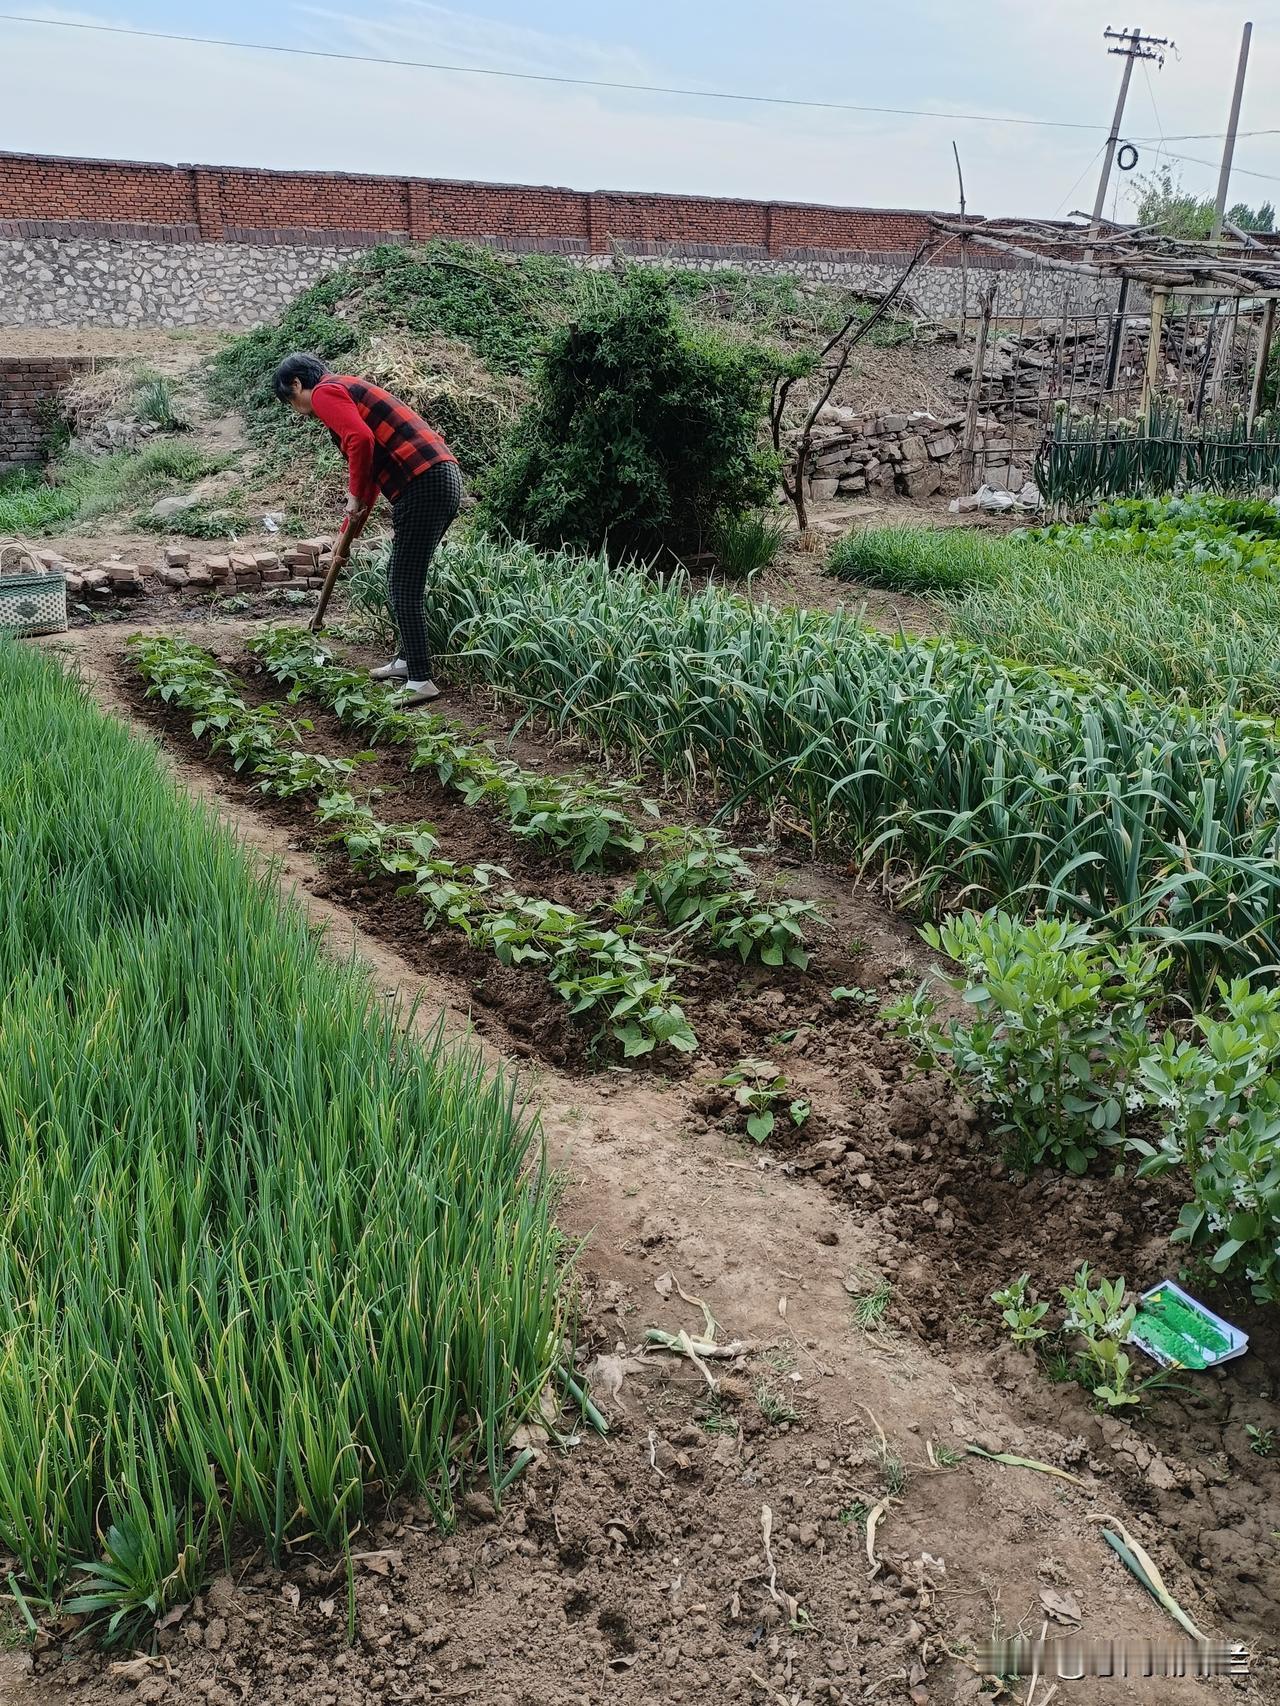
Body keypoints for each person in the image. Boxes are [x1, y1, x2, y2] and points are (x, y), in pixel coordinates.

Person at [273, 353, 462, 706]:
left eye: (290, 400)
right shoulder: (345, 389)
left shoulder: (326, 392)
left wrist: (353, 494)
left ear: (297, 384)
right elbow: (370, 469)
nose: (296, 409)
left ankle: (421, 680)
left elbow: (360, 441)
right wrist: (350, 529)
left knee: (402, 583)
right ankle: (408, 662)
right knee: (403, 578)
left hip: (424, 482)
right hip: (437, 479)